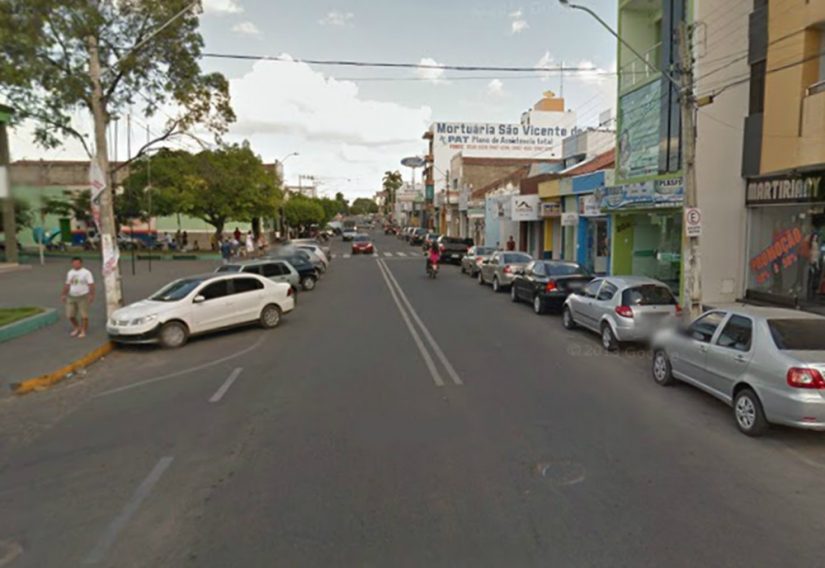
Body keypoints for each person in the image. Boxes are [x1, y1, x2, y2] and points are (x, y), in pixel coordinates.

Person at [61, 257, 95, 339]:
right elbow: (67, 284)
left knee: (84, 316)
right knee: (70, 315)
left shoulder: (86, 272)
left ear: (81, 263)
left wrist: (91, 295)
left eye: (77, 263)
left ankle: (83, 331)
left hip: (83, 297)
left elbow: (91, 284)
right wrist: (63, 294)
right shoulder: (70, 272)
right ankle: (77, 327)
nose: (75, 265)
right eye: (74, 263)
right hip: (71, 296)